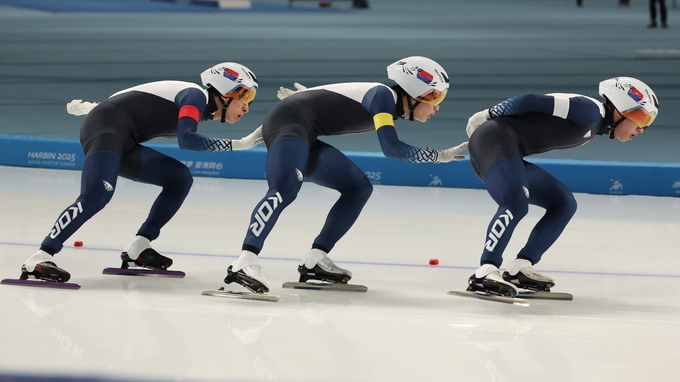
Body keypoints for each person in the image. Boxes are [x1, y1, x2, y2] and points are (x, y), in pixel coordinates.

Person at [224, 56, 469, 293]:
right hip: (290, 124)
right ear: (415, 92)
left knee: (358, 188)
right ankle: (245, 261)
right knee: (284, 190)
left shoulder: (385, 103)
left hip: (301, 127)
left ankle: (315, 259)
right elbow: (392, 148)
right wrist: (439, 156)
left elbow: (333, 100)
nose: (437, 107)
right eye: (435, 97)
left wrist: (313, 101)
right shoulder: (383, 96)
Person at [19, 62, 263, 283]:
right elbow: (186, 140)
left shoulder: (201, 108)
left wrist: (96, 106)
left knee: (179, 178)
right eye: (246, 96)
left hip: (121, 136)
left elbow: (139, 102)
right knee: (96, 196)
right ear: (226, 91)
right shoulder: (196, 96)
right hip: (107, 130)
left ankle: (140, 247)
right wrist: (239, 144)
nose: (247, 107)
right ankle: (39, 257)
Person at [464, 77, 659, 297]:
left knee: (564, 203)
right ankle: (485, 270)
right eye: (642, 118)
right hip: (494, 140)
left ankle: (521, 266)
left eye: (648, 122)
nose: (642, 128)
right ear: (621, 108)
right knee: (516, 202)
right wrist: (486, 115)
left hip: (504, 148)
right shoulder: (589, 111)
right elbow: (528, 100)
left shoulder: (594, 127)